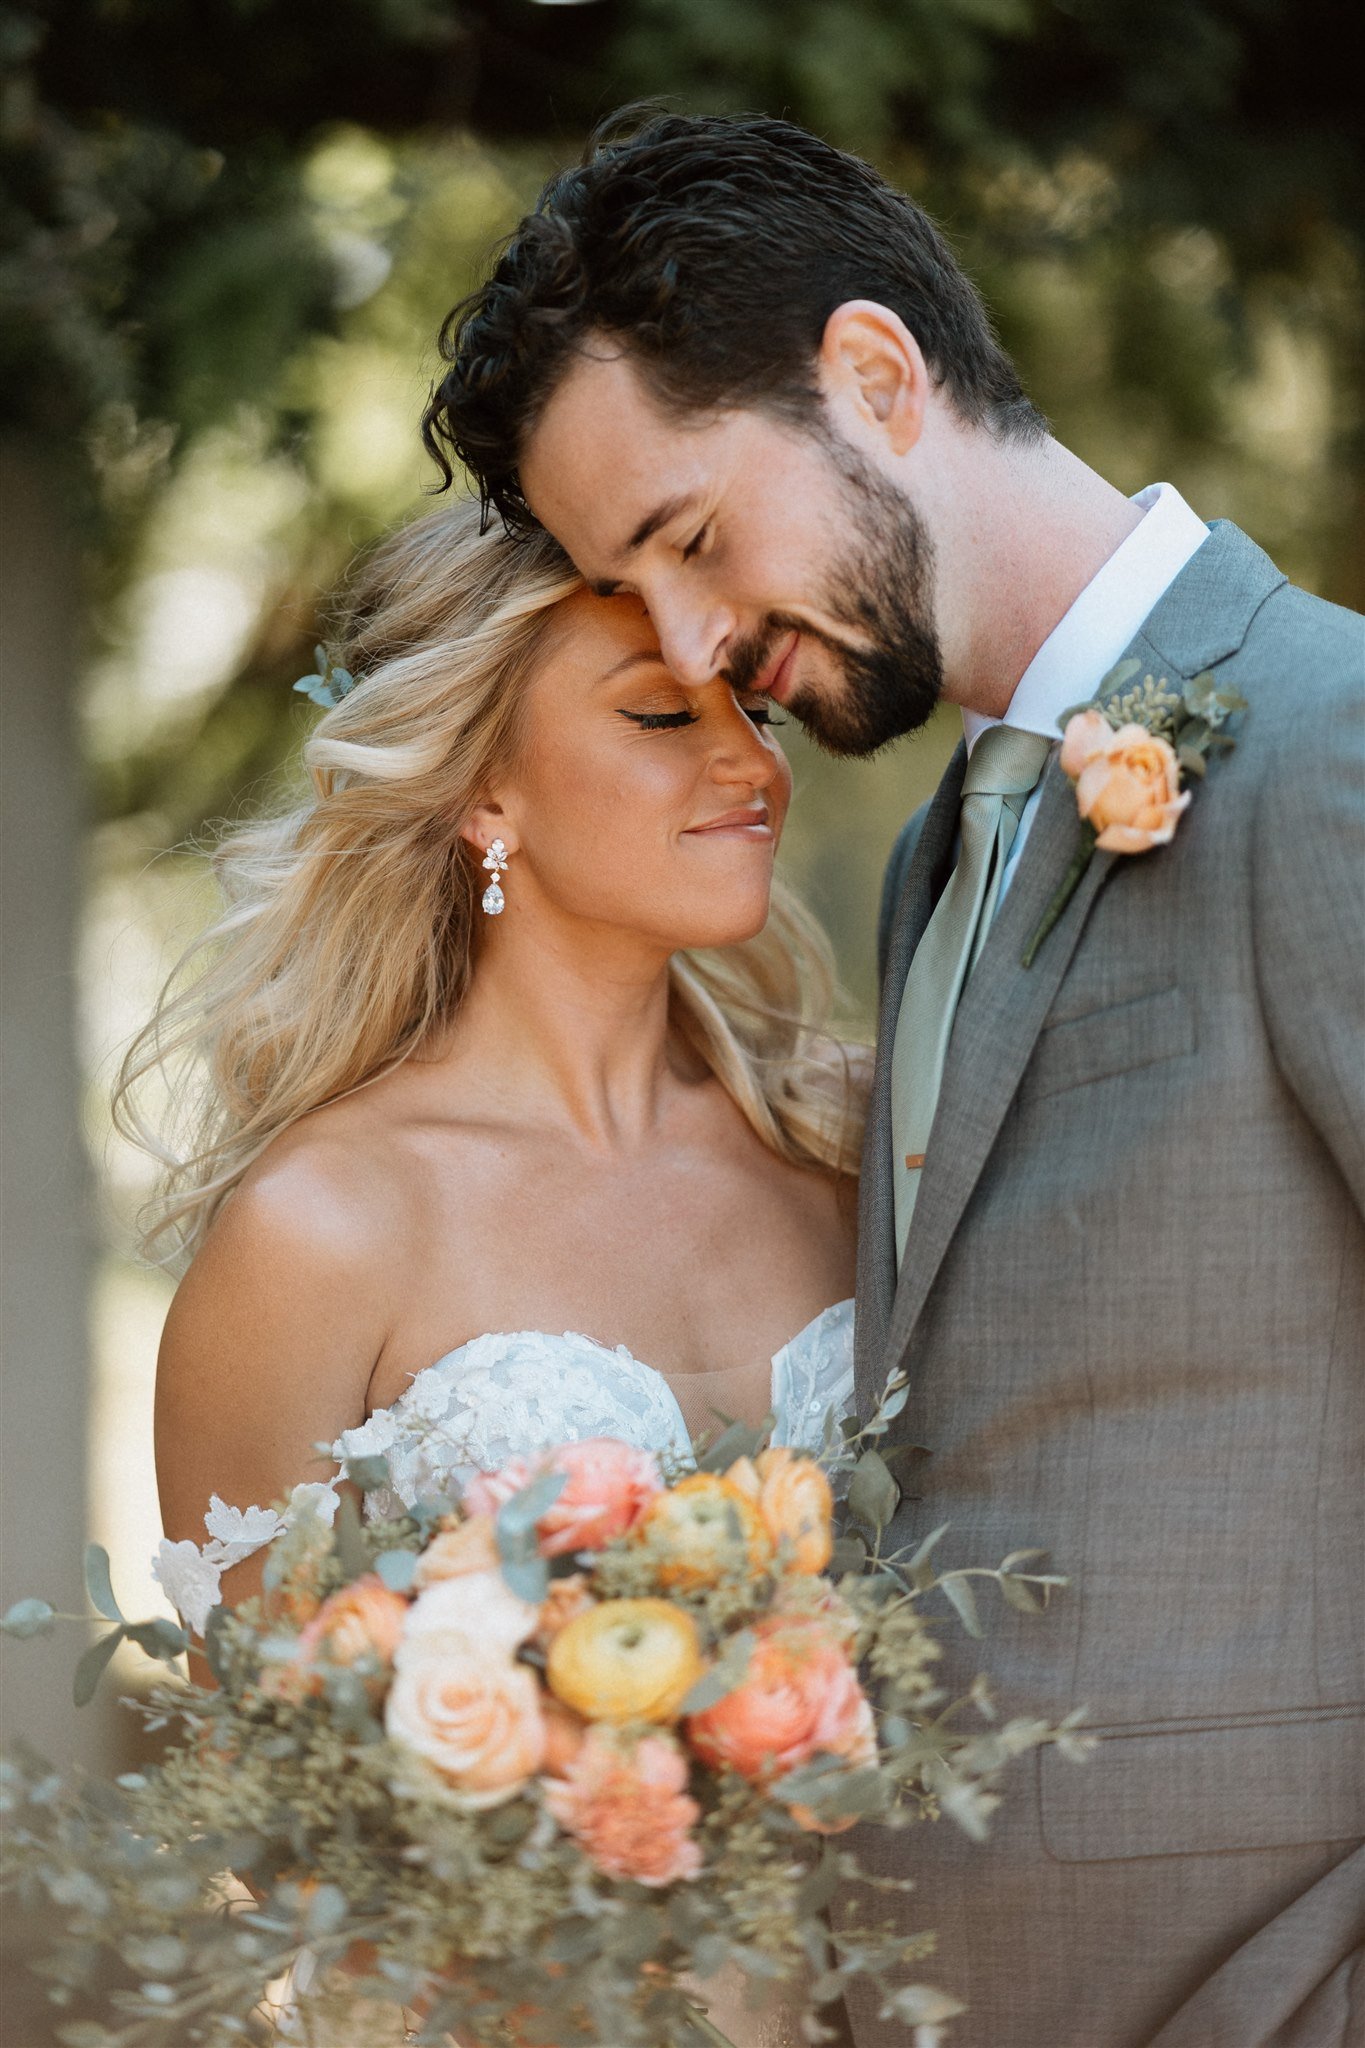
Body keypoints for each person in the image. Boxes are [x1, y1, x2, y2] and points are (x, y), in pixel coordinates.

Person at [421, 107, 1365, 2048]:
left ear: (872, 376)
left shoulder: (1326, 748)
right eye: (633, 588)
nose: (692, 641)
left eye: (689, 539)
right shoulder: (944, 847)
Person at [117, 495, 865, 2048]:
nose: (746, 763)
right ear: (481, 792)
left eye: (749, 703)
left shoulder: (850, 1152)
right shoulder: (327, 1228)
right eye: (660, 713)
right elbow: (281, 1824)